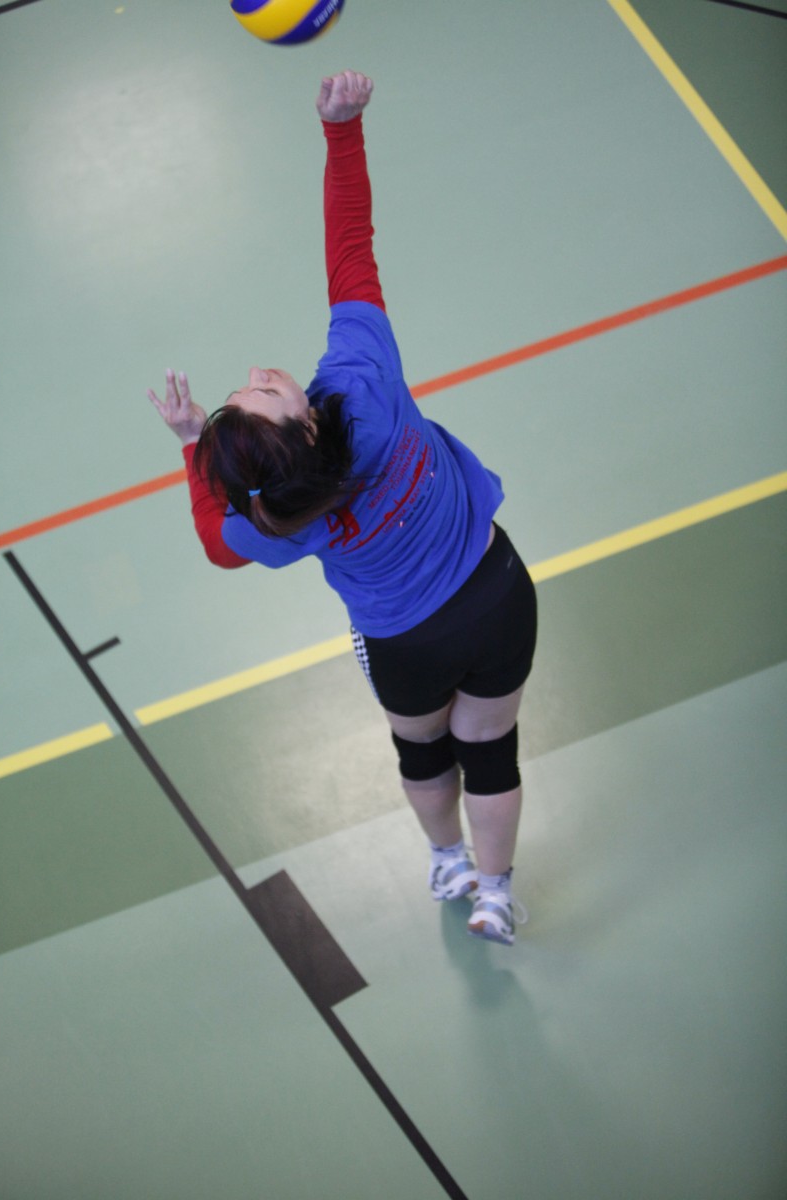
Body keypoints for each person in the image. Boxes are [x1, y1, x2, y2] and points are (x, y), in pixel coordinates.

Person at [148, 70, 537, 945]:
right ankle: (496, 892)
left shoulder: (280, 522)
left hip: (405, 643)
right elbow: (350, 248)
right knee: (490, 751)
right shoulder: (365, 389)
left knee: (425, 752)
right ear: (302, 426)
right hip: (497, 595)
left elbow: (216, 541)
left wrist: (193, 447)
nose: (260, 373)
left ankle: (449, 863)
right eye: (260, 393)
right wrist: (341, 128)